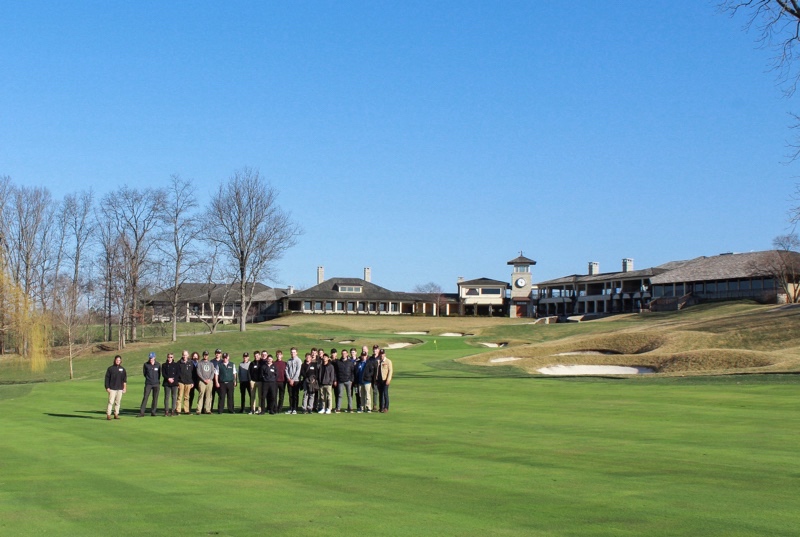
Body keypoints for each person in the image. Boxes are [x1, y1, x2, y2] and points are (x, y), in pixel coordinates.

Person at [138, 352, 161, 417]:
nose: (151, 359)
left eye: (152, 358)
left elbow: (159, 374)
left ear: (154, 357)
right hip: (148, 383)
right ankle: (142, 412)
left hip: (156, 384)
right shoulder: (146, 364)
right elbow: (145, 374)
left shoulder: (158, 365)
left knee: (155, 398)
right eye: (150, 358)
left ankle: (153, 412)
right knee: (145, 397)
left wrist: (156, 380)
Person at [104, 355, 127, 420]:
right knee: (111, 402)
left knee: (118, 402)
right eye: (117, 360)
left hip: (120, 388)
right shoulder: (110, 369)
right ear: (114, 360)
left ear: (121, 361)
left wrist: (124, 388)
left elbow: (124, 380)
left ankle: (116, 414)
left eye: (119, 360)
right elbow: (107, 379)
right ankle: (108, 414)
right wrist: (107, 387)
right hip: (112, 388)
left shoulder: (123, 369)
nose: (118, 361)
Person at [335, 347, 355, 413]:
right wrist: (336, 380)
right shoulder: (338, 362)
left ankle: (350, 408)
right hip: (340, 381)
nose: (344, 354)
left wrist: (351, 380)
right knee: (340, 395)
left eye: (345, 353)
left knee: (349, 395)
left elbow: (352, 372)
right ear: (341, 354)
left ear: (347, 354)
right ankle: (338, 408)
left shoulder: (350, 362)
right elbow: (336, 372)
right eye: (343, 353)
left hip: (348, 381)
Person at [285, 347, 302, 414]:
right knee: (290, 395)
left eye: (294, 352)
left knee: (295, 395)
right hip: (289, 380)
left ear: (296, 353)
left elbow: (298, 371)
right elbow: (286, 370)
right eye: (291, 352)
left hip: (296, 380)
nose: (292, 353)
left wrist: (293, 379)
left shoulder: (298, 360)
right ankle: (291, 408)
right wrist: (289, 379)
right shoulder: (289, 361)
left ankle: (295, 408)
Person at [176, 350, 194, 415]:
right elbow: (177, 373)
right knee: (179, 397)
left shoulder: (191, 363)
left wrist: (192, 382)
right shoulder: (179, 363)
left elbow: (193, 373)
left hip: (188, 382)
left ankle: (186, 410)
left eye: (186, 355)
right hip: (181, 382)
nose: (184, 356)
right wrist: (177, 382)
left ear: (188, 355)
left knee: (186, 397)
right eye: (183, 355)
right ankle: (178, 410)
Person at [368, 345, 381, 412]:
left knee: (379, 392)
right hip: (371, 377)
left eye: (376, 349)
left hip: (379, 378)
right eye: (374, 349)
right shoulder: (370, 358)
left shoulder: (380, 358)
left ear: (378, 350)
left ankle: (381, 406)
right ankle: (374, 405)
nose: (375, 350)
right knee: (373, 391)